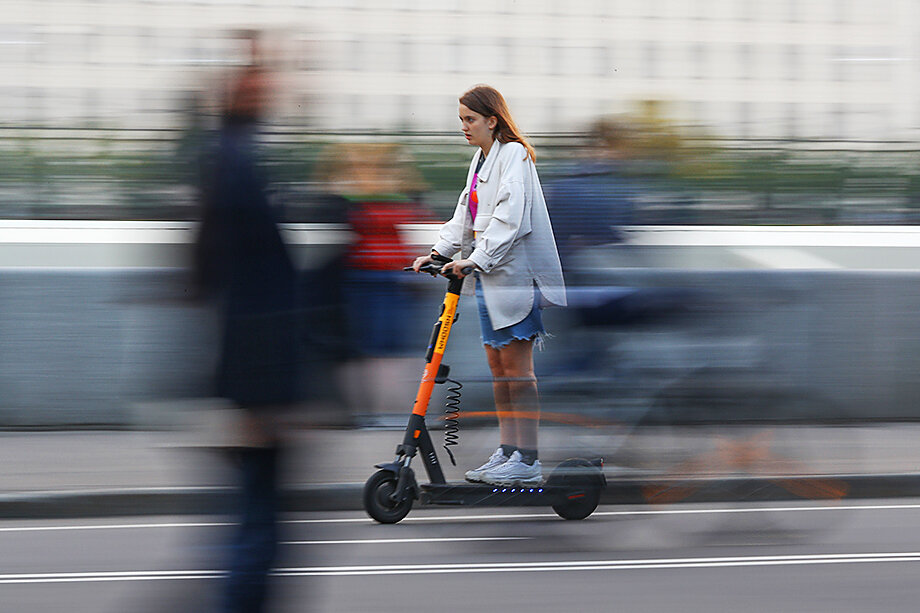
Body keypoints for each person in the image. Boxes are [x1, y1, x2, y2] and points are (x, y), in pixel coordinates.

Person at [194, 31, 301, 613]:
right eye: (261, 75)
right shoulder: (236, 162)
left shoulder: (237, 156)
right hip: (258, 376)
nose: (276, 85)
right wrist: (264, 396)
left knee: (256, 523)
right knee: (258, 530)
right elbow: (248, 280)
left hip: (255, 373)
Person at [412, 85, 565, 485]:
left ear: (492, 120)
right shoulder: (481, 160)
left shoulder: (513, 154)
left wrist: (475, 260)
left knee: (518, 371)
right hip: (489, 279)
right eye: (461, 120)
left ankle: (528, 459)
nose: (464, 127)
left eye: (470, 119)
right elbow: (466, 210)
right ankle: (509, 450)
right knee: (499, 369)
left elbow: (509, 217)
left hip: (515, 280)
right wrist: (440, 253)